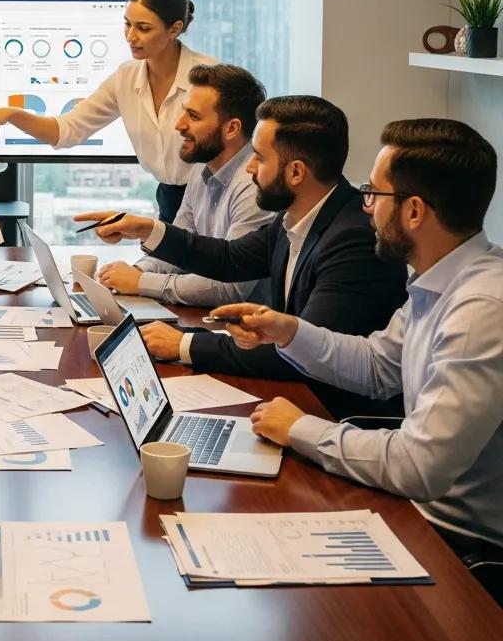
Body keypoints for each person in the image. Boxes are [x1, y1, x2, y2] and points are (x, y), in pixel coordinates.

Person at [215, 119, 502, 555]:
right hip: (415, 513)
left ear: (414, 211)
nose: (366, 206)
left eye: (374, 193)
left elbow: (417, 468)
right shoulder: (443, 281)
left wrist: (301, 430)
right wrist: (288, 331)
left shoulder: (480, 309)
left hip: (459, 547)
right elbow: (377, 366)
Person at [77, 95, 408, 420]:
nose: (249, 168)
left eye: (260, 159)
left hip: (333, 416)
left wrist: (185, 345)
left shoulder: (352, 240)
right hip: (293, 401)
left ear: (296, 172)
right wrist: (147, 229)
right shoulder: (297, 215)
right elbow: (229, 258)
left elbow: (303, 353)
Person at [0, 0, 216, 222]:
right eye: (127, 24)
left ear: (175, 29)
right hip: (169, 202)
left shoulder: (210, 77)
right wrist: (13, 115)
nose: (131, 37)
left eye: (144, 28)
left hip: (214, 200)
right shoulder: (126, 78)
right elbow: (67, 130)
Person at [97, 63, 275, 308]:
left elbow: (230, 288)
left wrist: (140, 282)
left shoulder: (255, 186)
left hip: (241, 334)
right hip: (204, 316)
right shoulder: (201, 167)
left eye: (193, 116)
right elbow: (179, 250)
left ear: (232, 128)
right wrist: (132, 272)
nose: (178, 125)